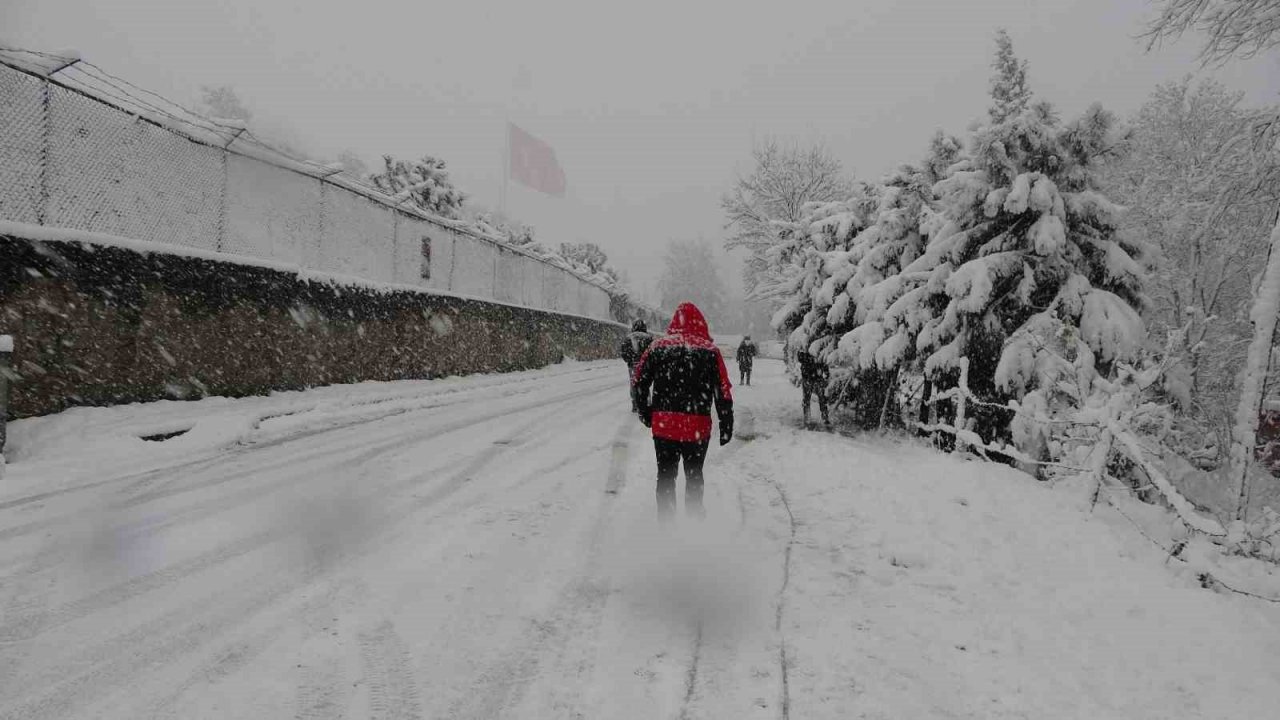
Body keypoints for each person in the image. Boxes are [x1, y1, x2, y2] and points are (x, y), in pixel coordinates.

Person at [633, 302, 733, 520]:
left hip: (664, 425)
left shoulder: (657, 348)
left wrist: (645, 412)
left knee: (666, 475)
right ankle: (694, 522)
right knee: (694, 474)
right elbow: (723, 390)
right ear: (701, 323)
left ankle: (666, 525)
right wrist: (726, 425)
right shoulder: (710, 352)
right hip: (696, 427)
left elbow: (639, 381)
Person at [619, 319, 655, 412]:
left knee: (633, 384)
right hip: (645, 364)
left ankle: (635, 403)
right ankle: (646, 402)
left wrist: (629, 361)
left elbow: (624, 352)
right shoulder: (648, 338)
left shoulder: (628, 338)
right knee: (645, 383)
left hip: (633, 365)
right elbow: (653, 351)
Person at [796, 346, 830, 428]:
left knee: (822, 398)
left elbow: (823, 359)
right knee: (807, 399)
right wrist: (809, 357)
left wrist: (825, 371)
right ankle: (807, 418)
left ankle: (825, 418)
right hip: (808, 377)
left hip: (817, 378)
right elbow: (800, 358)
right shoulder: (805, 344)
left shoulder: (819, 345)